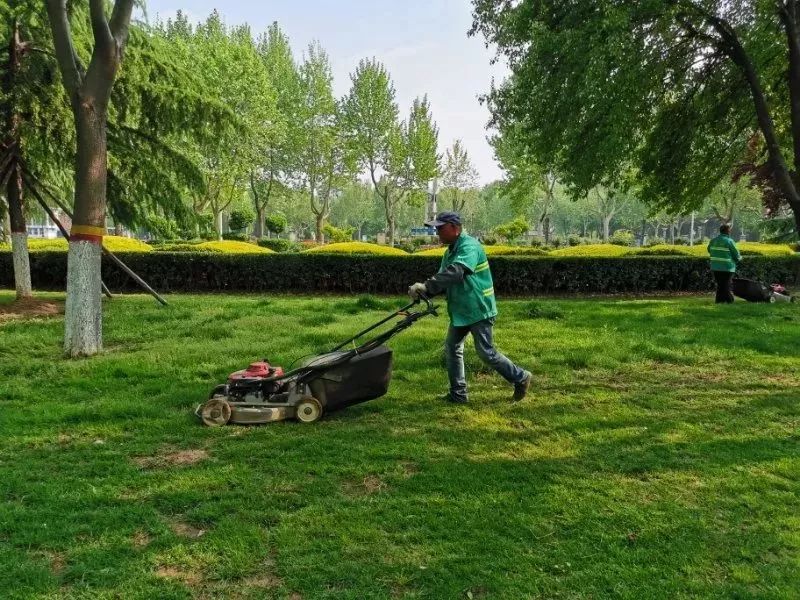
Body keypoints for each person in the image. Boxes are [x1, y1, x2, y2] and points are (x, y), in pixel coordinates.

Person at [408, 211, 532, 404]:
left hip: (478, 308)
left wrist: (427, 286)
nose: (437, 232)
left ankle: (521, 377)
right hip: (461, 310)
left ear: (455, 228)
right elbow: (444, 277)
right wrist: (424, 291)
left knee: (486, 353)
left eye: (441, 228)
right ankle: (458, 394)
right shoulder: (450, 251)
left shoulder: (469, 246)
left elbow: (457, 272)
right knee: (452, 348)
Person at [707, 223, 741, 304]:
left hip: (715, 266)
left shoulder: (713, 241)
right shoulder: (729, 241)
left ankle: (719, 301)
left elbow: (709, 250)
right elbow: (736, 255)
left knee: (720, 284)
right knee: (726, 284)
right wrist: (738, 259)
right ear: (728, 231)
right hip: (727, 267)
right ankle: (730, 300)